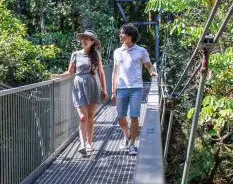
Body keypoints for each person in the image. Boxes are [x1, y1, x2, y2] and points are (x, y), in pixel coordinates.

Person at [52, 30, 107, 155]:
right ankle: (82, 144)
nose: (84, 40)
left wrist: (104, 89)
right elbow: (70, 72)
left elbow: (101, 73)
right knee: (83, 117)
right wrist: (59, 76)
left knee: (91, 117)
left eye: (87, 38)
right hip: (79, 86)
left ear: (92, 42)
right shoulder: (75, 54)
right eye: (83, 38)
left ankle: (89, 143)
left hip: (93, 86)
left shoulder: (96, 54)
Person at [111, 23, 157, 155]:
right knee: (120, 117)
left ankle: (132, 144)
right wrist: (113, 91)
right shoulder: (117, 52)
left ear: (130, 36)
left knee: (134, 116)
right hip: (121, 88)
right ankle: (126, 136)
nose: (120, 35)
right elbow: (114, 72)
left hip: (136, 88)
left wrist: (153, 72)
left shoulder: (141, 51)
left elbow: (149, 66)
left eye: (122, 33)